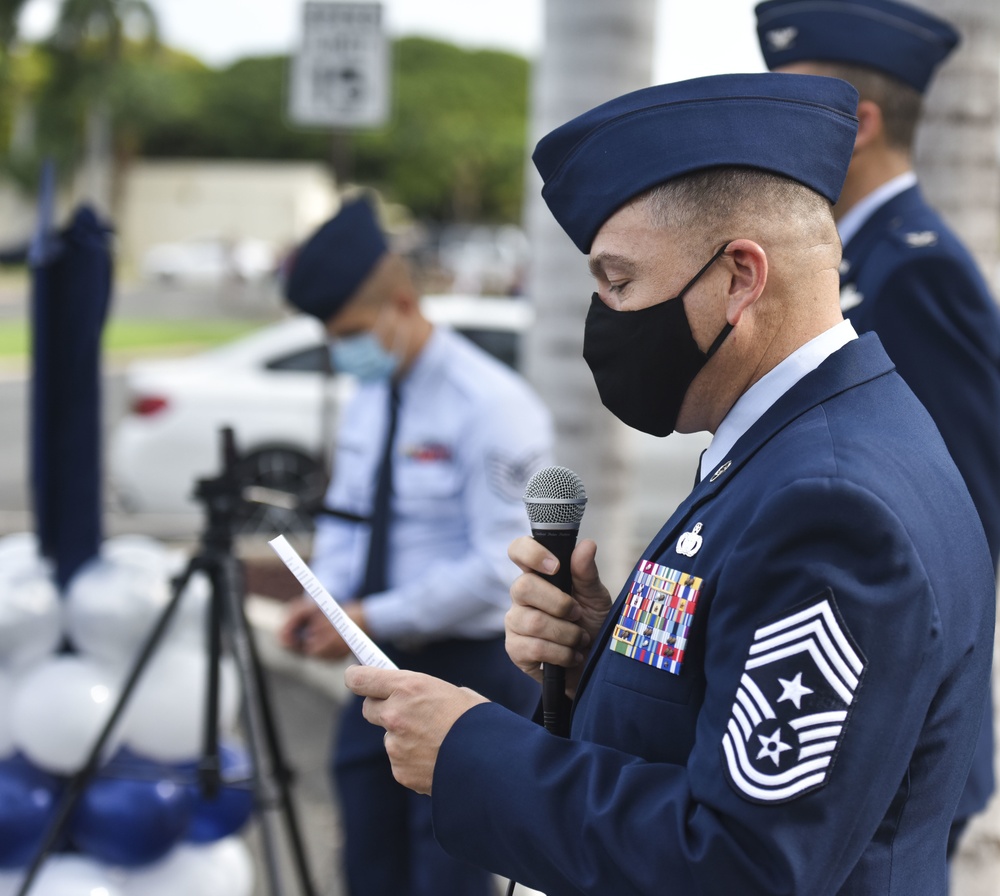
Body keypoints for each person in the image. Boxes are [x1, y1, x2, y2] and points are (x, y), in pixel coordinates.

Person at [343, 72, 996, 895]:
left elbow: (741, 862)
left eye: (619, 282)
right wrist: (605, 656)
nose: (604, 318)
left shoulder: (833, 505)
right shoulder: (804, 439)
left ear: (739, 278)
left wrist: (471, 750)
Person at [755, 0, 1000, 853]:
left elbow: (958, 504)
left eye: (786, 101)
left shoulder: (914, 269)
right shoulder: (869, 256)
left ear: (857, 125)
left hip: (892, 729)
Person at [277, 194, 554, 896]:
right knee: (368, 863)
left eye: (353, 331)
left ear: (402, 303)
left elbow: (502, 568)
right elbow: (354, 519)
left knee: (447, 875)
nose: (345, 350)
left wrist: (373, 618)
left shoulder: (490, 404)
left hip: (467, 673)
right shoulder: (373, 394)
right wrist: (330, 606)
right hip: (377, 666)